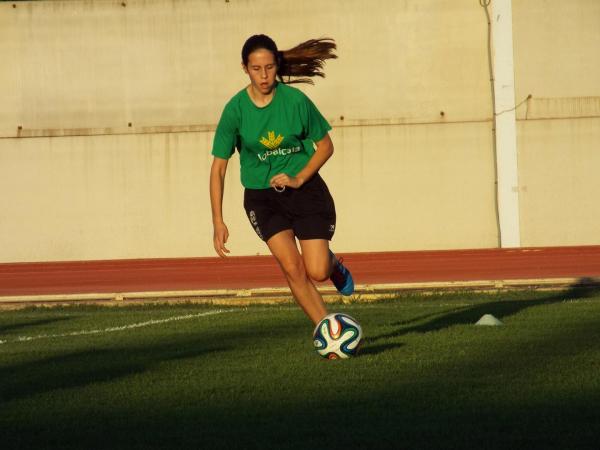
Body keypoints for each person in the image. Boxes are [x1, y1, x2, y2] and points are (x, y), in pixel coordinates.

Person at [209, 34, 354, 326]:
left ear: (277, 65)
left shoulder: (296, 101)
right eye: (256, 69)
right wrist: (218, 221)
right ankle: (328, 331)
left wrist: (299, 178)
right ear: (244, 68)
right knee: (292, 268)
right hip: (263, 199)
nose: (264, 76)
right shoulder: (235, 110)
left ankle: (332, 263)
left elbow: (325, 146)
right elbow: (219, 169)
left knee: (316, 271)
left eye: (270, 68)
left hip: (305, 191)